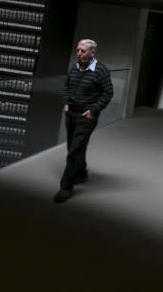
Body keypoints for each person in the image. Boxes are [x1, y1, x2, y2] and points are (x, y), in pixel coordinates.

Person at [54, 39, 113, 203]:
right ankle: (80, 173)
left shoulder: (101, 70)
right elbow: (66, 87)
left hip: (86, 117)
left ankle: (66, 187)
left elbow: (107, 93)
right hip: (71, 114)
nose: (78, 53)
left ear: (92, 53)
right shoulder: (75, 67)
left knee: (74, 150)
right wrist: (65, 102)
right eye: (78, 50)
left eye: (82, 51)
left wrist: (93, 110)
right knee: (73, 146)